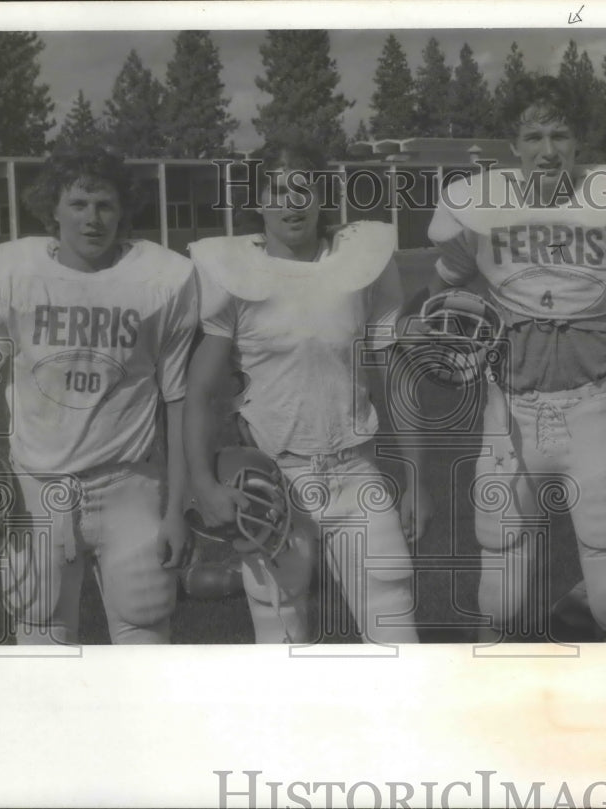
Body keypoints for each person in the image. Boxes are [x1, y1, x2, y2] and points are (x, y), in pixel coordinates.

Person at [424, 76, 606, 642]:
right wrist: (423, 335)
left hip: (592, 408)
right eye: (533, 135)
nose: (547, 150)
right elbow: (437, 298)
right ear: (514, 144)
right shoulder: (477, 210)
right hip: (510, 414)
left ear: (579, 140)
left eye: (559, 134)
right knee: (501, 600)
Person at [184, 139, 429, 644]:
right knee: (282, 644)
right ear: (258, 201)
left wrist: (418, 479)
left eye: (303, 188)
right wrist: (204, 486)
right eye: (277, 191)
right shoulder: (234, 274)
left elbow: (395, 376)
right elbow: (200, 392)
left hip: (356, 470)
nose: (291, 203)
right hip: (275, 476)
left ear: (322, 195)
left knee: (398, 637)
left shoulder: (362, 263)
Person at [0, 145, 198, 644]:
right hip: (37, 485)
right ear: (52, 208)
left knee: (146, 628)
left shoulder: (164, 278)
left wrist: (177, 508)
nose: (93, 219)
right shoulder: (8, 272)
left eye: (105, 205)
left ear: (123, 210)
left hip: (129, 483)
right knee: (40, 631)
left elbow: (178, 402)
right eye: (79, 204)